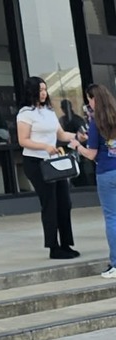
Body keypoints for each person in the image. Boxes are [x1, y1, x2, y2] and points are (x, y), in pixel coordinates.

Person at [16, 76, 85, 260]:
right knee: (50, 203)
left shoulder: (48, 111)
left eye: (45, 89)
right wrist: (45, 147)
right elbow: (23, 141)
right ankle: (53, 247)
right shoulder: (25, 113)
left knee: (65, 201)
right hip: (36, 162)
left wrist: (77, 136)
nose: (44, 93)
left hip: (54, 162)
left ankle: (66, 243)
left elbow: (60, 133)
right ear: (32, 92)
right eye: (40, 90)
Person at [72, 84, 116, 279]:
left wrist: (77, 146)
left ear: (94, 99)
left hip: (106, 173)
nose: (88, 103)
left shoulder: (95, 121)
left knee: (112, 218)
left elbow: (91, 154)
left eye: (89, 99)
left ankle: (115, 263)